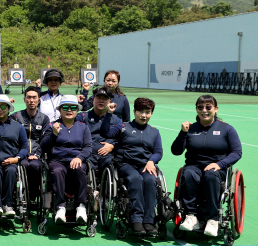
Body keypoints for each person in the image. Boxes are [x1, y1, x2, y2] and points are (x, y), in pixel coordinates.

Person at [171, 95, 242, 237]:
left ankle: (213, 219)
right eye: (200, 107)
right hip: (194, 166)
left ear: (216, 109)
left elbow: (237, 152)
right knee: (189, 173)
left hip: (217, 168)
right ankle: (191, 216)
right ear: (196, 109)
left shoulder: (227, 129)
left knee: (210, 175)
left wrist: (219, 164)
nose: (204, 110)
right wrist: (182, 133)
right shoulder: (190, 129)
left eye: (208, 107)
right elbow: (176, 151)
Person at [101, 97, 163, 236]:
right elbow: (105, 133)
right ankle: (136, 220)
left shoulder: (154, 132)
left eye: (147, 112)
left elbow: (158, 152)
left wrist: (151, 161)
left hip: (145, 165)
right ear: (134, 112)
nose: (143, 115)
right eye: (140, 111)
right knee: (136, 179)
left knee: (151, 181)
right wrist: (108, 114)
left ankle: (148, 221)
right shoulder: (123, 127)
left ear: (151, 113)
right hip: (126, 164)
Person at [41, 95, 93, 225]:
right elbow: (43, 146)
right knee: (57, 171)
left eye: (73, 107)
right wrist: (54, 134)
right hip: (57, 160)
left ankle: (81, 206)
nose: (69, 110)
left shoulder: (83, 127)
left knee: (80, 169)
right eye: (65, 107)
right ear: (59, 109)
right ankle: (60, 207)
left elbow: (88, 147)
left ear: (77, 110)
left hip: (76, 160)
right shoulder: (53, 125)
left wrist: (79, 157)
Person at [10, 86, 51, 201]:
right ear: (24, 100)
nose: (31, 100)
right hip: (20, 154)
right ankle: (18, 195)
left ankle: (32, 196)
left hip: (37, 155)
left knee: (34, 166)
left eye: (34, 97)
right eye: (29, 97)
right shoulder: (15, 116)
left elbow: (45, 139)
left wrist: (37, 154)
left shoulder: (44, 119)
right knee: (24, 165)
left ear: (39, 100)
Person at [76, 87, 121, 177]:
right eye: (98, 98)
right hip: (87, 155)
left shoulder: (116, 120)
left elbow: (124, 139)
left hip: (107, 156)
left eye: (104, 99)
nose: (101, 101)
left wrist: (113, 146)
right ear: (93, 100)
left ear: (109, 102)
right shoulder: (83, 117)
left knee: (114, 164)